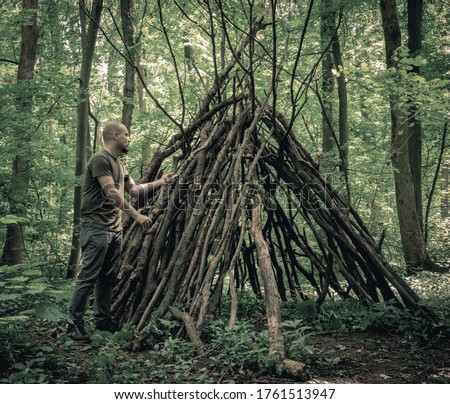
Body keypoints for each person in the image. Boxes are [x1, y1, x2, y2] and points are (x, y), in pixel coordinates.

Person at [67, 122, 175, 342]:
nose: (129, 138)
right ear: (115, 135)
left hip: (114, 230)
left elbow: (134, 191)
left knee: (107, 279)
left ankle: (102, 320)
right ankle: (74, 324)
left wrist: (161, 182)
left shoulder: (120, 165)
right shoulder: (100, 160)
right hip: (96, 228)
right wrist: (136, 216)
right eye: (126, 135)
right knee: (88, 277)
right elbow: (111, 193)